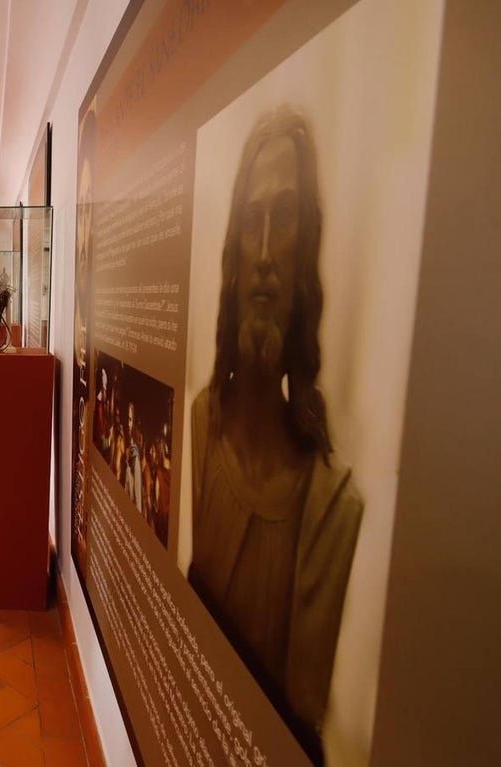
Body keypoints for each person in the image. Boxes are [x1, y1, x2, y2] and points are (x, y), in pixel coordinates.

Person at [188, 107, 363, 754]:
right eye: (251, 221)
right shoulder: (203, 421)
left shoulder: (330, 506)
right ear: (234, 247)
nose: (264, 254)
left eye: (283, 219)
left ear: (305, 244)